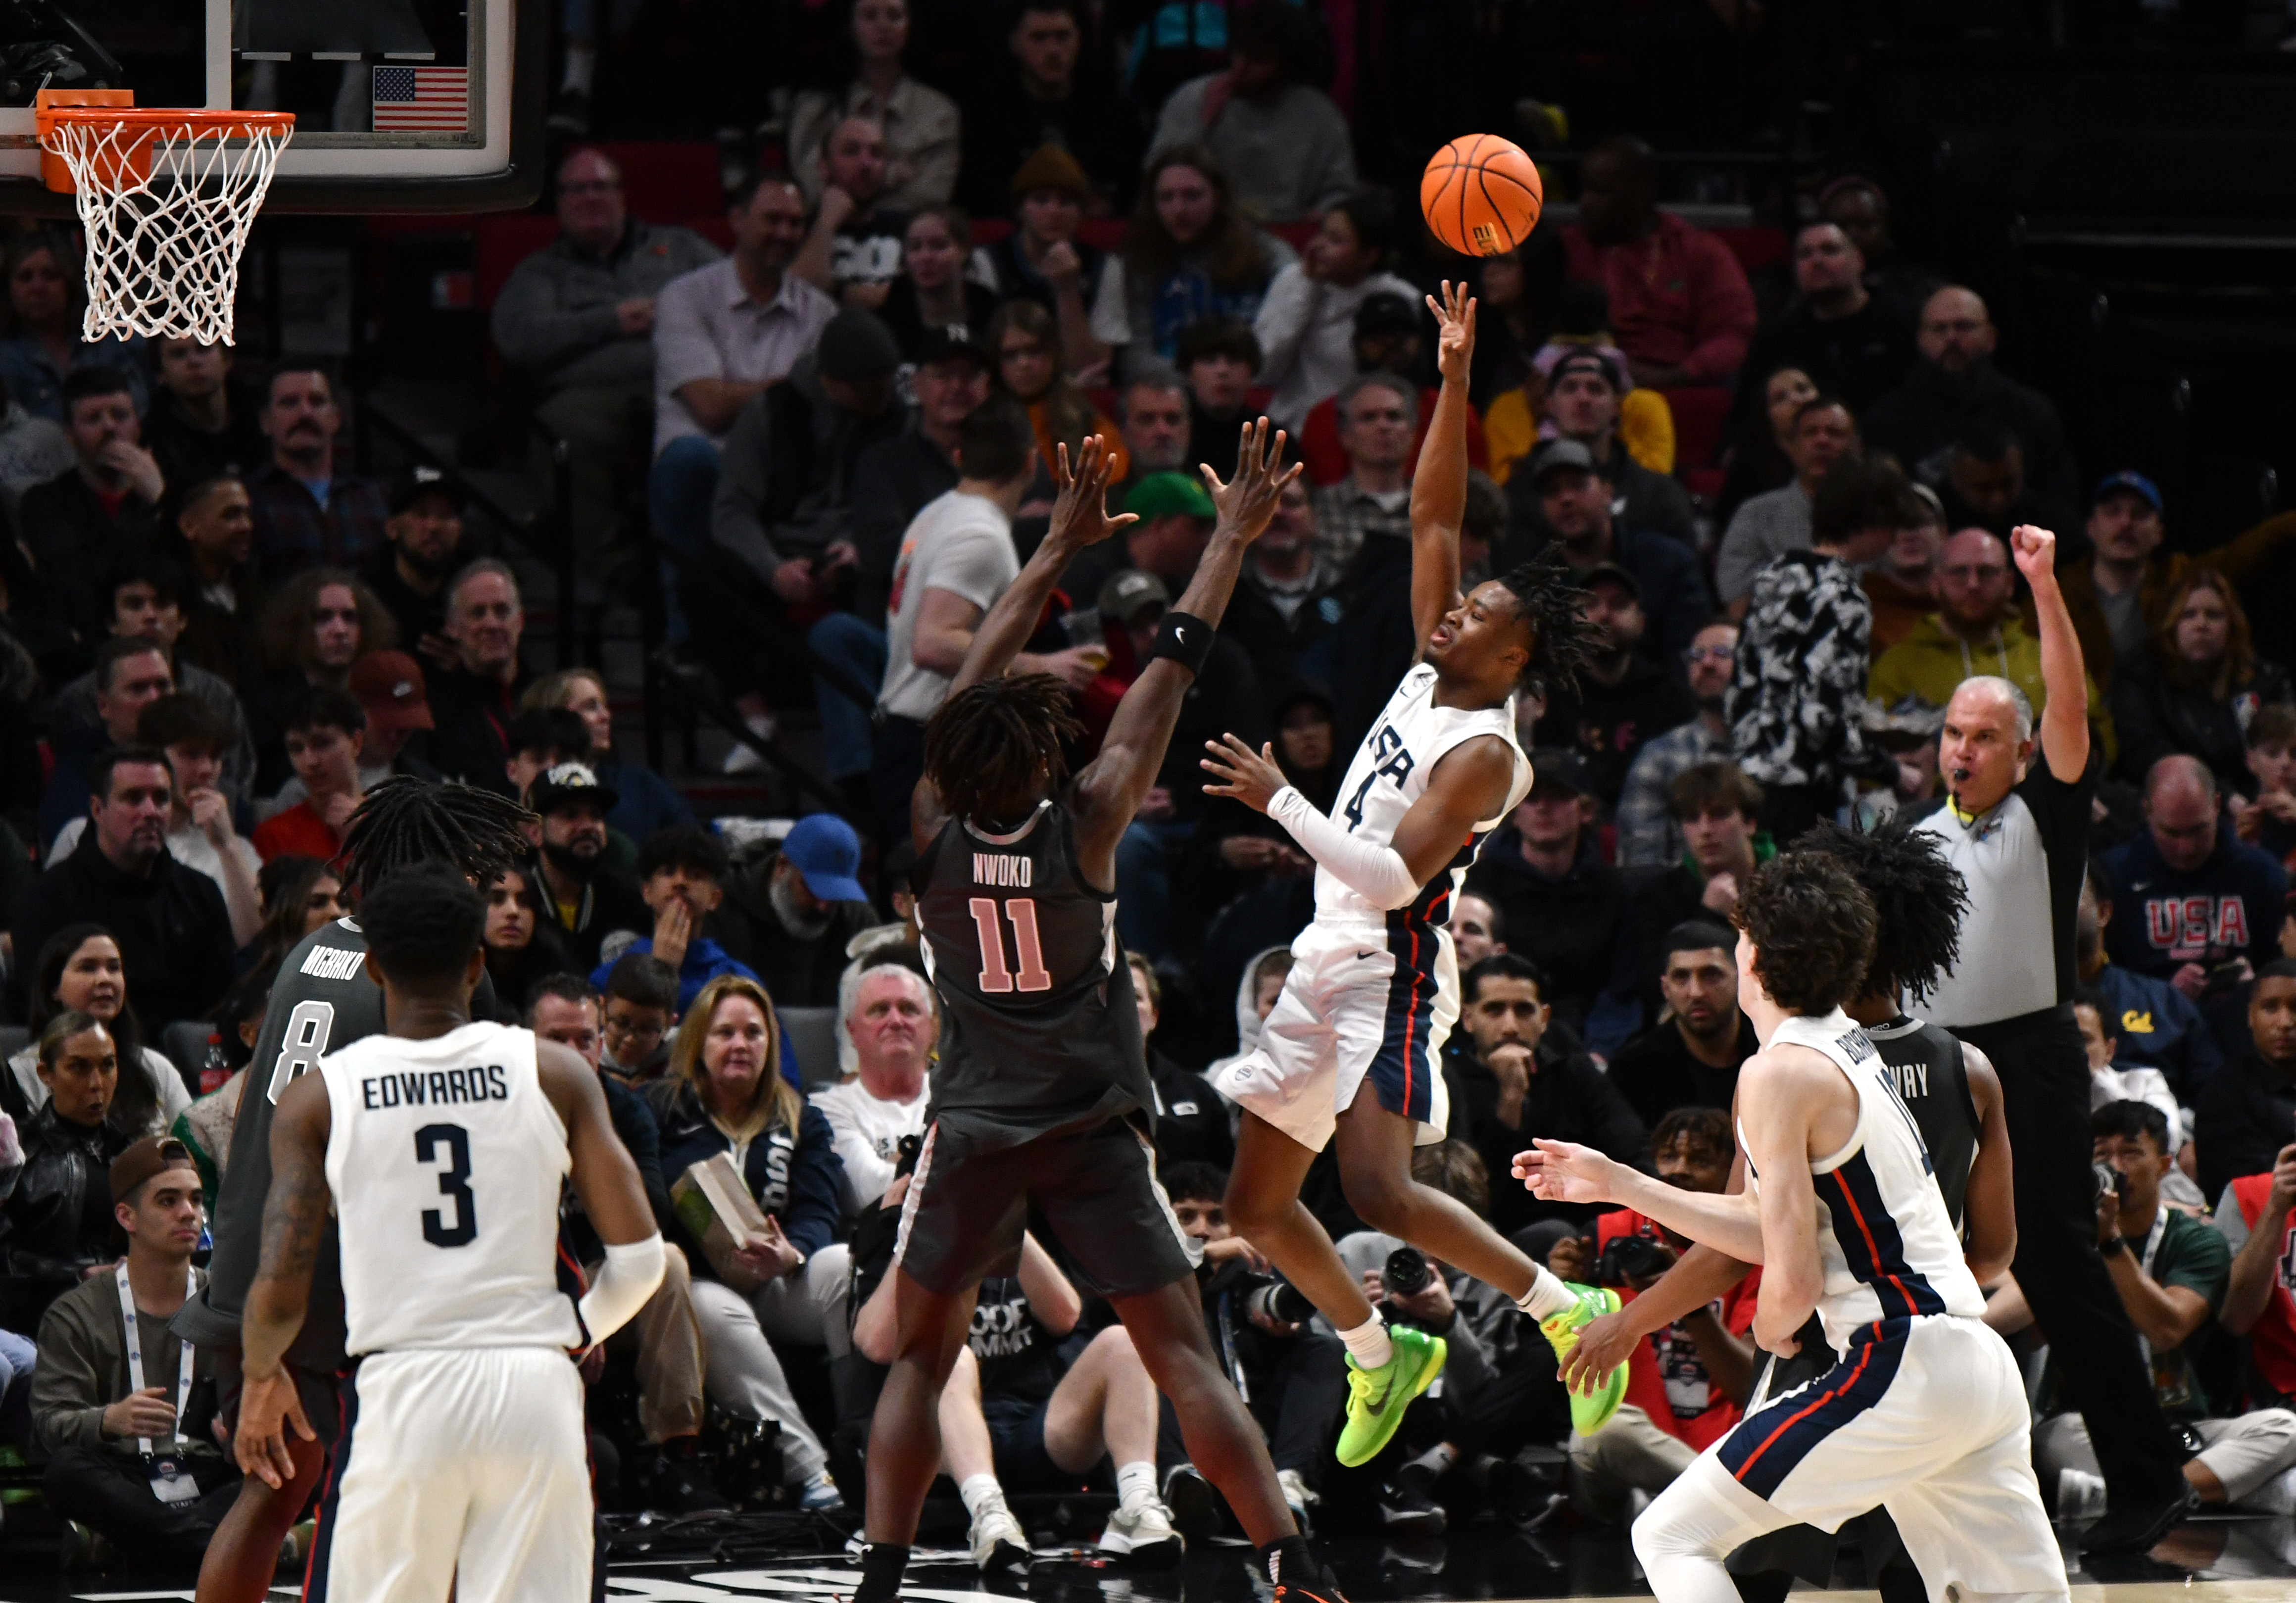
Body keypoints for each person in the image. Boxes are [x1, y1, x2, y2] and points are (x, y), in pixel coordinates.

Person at [856, 420, 1339, 1603]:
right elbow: (1172, 659)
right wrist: (1228, 537)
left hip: (972, 1127)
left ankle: (877, 1574)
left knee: (921, 1358)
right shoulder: (1091, 819)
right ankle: (1288, 1559)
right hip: (1089, 1125)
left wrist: (1054, 546)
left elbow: (970, 686)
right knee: (1178, 1352)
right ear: (1041, 759)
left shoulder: (928, 824)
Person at [1198, 285, 1628, 1473]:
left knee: (1378, 1190)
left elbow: (1391, 876)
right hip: (1328, 947)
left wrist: (1277, 797)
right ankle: (1377, 1352)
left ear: (1515, 653)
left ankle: (1560, 1305)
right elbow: (1433, 511)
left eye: (1476, 616)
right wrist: (1452, 378)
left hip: (1387, 965)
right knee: (1252, 1205)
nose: (1446, 618)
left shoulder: (1487, 750)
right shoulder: (1433, 666)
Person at [1517, 852, 2069, 1603]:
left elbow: (1792, 1270)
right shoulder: (1846, 1046)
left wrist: (1775, 1324)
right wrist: (1618, 1181)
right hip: (1975, 1362)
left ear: (1754, 955)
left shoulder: (1773, 1072)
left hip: (1893, 1358)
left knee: (1671, 1535)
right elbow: (1767, 1221)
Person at [229, 863, 664, 1599]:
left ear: (372, 967)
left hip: (403, 1390)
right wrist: (578, 1330)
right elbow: (644, 1260)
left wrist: (259, 1374)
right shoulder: (554, 1070)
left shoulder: (318, 1098)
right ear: (476, 962)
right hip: (532, 1386)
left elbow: (279, 1286)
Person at [1905, 523, 2197, 1553]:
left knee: (2063, 1267)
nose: (1963, 749)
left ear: (2025, 751)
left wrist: (2039, 584)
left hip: (2027, 1052)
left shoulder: (2045, 812)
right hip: (1932, 1060)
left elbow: (2068, 701)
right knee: (1917, 1272)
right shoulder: (1915, 839)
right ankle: (1917, 1495)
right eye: (1952, 731)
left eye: (1985, 735)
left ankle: (2149, 1477)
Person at [173, 779, 534, 1603]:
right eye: (476, 869)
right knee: (405, 1510)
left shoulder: (315, 946)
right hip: (329, 1280)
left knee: (273, 1493)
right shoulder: (420, 981)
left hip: (247, 1266)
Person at [851, 1226, 1186, 1569]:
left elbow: (1065, 1317)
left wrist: (1009, 1218)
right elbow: (874, 1341)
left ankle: (1138, 1506)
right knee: (953, 1357)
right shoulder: (905, 1240)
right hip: (947, 1446)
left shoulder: (1028, 1231)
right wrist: (922, 1228)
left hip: (1034, 1433)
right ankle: (988, 1514)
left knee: (1123, 1343)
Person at [2032, 1100, 2296, 1519]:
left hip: (2182, 1424)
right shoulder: (2065, 1237)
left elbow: (2168, 1328)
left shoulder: (2194, 1240)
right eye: (2102, 1155)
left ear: (2163, 1164)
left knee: (2285, 1428)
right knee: (2055, 1439)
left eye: (2131, 1152)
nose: (2115, 1166)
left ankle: (2136, 1499)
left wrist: (2110, 1245)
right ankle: (2206, 1490)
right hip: (2091, 1423)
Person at [646, 973, 850, 1511]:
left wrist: (792, 1253)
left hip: (781, 1278)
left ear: (771, 1044)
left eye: (754, 1033)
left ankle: (868, 1436)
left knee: (843, 1265)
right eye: (725, 1032)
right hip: (708, 1283)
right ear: (698, 1042)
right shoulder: (663, 1111)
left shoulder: (801, 1115)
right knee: (707, 1304)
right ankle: (814, 1473)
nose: (740, 1044)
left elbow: (818, 1209)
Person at [868, 397, 1096, 838]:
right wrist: (1043, 667)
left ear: (960, 458)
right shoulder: (980, 534)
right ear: (1032, 463)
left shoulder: (935, 513)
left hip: (910, 737)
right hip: (930, 746)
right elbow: (932, 642)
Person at [490, 148, 721, 573]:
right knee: (559, 431)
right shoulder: (541, 273)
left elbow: (735, 299)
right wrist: (611, 322)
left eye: (601, 187)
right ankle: (615, 570)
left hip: (685, 384)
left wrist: (678, 318)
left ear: (623, 196)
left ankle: (721, 562)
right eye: (576, 190)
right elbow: (521, 340)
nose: (589, 198)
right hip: (593, 398)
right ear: (559, 203)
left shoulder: (681, 249)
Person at [1544, 1110, 1759, 1527]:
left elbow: (1749, 1387)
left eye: (1699, 1160)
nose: (1679, 1170)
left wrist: (1688, 1306)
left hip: (1721, 1448)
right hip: (1632, 1449)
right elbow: (1563, 1369)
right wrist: (1562, 1292)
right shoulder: (1612, 1233)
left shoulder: (1751, 1250)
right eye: (1668, 1157)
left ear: (1732, 1177)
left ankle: (1680, 1503)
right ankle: (1720, 1510)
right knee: (1603, 1432)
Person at [31, 1135, 238, 1562]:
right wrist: (110, 1419)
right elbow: (51, 1424)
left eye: (196, 1200)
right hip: (125, 1474)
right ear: (127, 1216)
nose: (189, 1213)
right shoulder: (76, 1313)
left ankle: (136, 1543)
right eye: (168, 1201)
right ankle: (219, 1546)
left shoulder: (229, 1304)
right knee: (67, 1473)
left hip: (207, 1474)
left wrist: (242, 1428)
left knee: (298, 1455)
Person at [648, 174, 837, 602]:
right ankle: (684, 641)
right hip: (704, 460)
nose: (785, 233)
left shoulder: (821, 313)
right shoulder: (685, 296)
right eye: (773, 219)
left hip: (777, 465)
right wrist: (787, 390)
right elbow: (708, 407)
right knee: (689, 461)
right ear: (736, 220)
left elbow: (820, 403)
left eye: (795, 223)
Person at [1726, 458, 1913, 843]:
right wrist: (1893, 771)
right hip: (1800, 798)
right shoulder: (1845, 601)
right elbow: (1823, 722)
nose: (1893, 539)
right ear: (1869, 522)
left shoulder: (1773, 576)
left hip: (1744, 785)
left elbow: (1742, 689)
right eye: (1890, 527)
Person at [15, 749, 236, 1034]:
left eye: (161, 799)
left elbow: (221, 1007)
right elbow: (43, 1010)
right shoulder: (47, 900)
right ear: (97, 810)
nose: (151, 812)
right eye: (133, 798)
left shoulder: (200, 895)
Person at [1448, 953, 1648, 1241]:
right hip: (1483, 1239)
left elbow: (1634, 1155)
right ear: (1468, 1018)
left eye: (1524, 1011)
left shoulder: (1575, 1074)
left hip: (1580, 1236)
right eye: (1494, 1010)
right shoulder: (1449, 1081)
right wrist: (1510, 1099)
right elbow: (1466, 1196)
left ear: (1544, 1018)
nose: (1510, 1027)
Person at [41, 697, 262, 949]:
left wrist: (228, 846)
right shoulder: (83, 834)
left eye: (214, 757)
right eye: (191, 754)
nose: (207, 769)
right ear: (154, 756)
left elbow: (250, 940)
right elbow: (51, 926)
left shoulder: (236, 850)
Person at [1869, 525, 2111, 746]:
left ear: (2009, 584)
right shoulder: (1899, 666)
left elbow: (2096, 730)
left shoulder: (2047, 659)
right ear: (1936, 583)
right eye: (1960, 573)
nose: (1973, 584)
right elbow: (1869, 749)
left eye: (1986, 573)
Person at [2059, 470, 2296, 692]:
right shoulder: (2058, 591)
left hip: (2154, 721)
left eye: (2140, 514)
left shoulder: (2176, 578)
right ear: (2091, 527)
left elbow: (2249, 549)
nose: (2126, 523)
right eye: (2113, 512)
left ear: (2159, 533)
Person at [1860, 286, 2079, 518]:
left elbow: (2061, 505)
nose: (1952, 338)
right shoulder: (1888, 420)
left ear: (1991, 338)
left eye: (1964, 327)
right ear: (1920, 340)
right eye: (1939, 329)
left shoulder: (2032, 412)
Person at [1561, 137, 1756, 390]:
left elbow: (1732, 332)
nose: (1585, 203)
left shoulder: (1699, 251)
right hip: (1584, 383)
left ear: (1643, 193)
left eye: (1601, 191)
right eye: (1584, 190)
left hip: (1679, 383)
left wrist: (1679, 375)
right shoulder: (1565, 249)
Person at [1143, 0, 1354, 227]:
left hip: (1289, 233)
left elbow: (1341, 190)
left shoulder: (1320, 115)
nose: (1241, 67)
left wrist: (1323, 213)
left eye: (1258, 59)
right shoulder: (1194, 99)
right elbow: (1156, 175)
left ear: (1286, 65)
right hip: (1210, 233)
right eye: (1240, 53)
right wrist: (1200, 125)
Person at [1092, 145, 1297, 377]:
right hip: (1170, 391)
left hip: (1247, 384)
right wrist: (1196, 383)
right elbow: (1135, 356)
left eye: (1192, 196)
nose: (1179, 210)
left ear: (1218, 198)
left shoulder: (1261, 249)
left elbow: (1296, 284)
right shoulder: (1138, 259)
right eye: (1166, 198)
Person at [1462, 749, 1629, 1032]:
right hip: (1502, 1028)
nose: (1543, 808)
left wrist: (1601, 1048)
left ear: (1586, 811)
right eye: (1531, 798)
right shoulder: (1479, 886)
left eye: (1558, 797)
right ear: (1513, 814)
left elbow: (1623, 985)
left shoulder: (1612, 890)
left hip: (1592, 1039)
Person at [2098, 756, 2287, 994]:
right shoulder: (2114, 877)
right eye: (2172, 833)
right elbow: (2101, 984)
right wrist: (2165, 997)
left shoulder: (2261, 875)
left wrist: (2257, 988)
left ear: (2217, 805)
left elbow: (2284, 971)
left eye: (2199, 830)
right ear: (2147, 812)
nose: (2186, 848)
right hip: (2145, 1023)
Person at [0, 1014, 137, 1332]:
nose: (96, 1083)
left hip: (130, 1310)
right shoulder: (18, 1156)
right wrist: (77, 1275)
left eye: (107, 1066)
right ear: (46, 1074)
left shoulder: (133, 1154)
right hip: (41, 1315)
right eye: (79, 1067)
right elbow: (4, 1256)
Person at [1520, 439, 1711, 661]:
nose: (1566, 499)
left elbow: (1688, 654)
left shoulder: (1668, 564)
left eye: (1578, 485)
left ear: (1608, 492)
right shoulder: (1532, 583)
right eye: (1553, 492)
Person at [16, 367, 168, 644]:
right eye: (93, 419)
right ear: (70, 435)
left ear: (138, 426)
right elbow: (79, 586)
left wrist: (159, 500)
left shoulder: (169, 492)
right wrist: (155, 514)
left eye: (120, 416)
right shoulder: (44, 504)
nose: (109, 427)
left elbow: (182, 575)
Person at [1531, 563, 1697, 814]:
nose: (1604, 615)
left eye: (1619, 605)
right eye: (1590, 605)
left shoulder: (1670, 693)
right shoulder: (1551, 694)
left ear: (1641, 621)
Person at [1496, 346, 1697, 548]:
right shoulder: (1519, 495)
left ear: (1617, 406)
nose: (1583, 399)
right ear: (1549, 404)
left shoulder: (1658, 495)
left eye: (1596, 389)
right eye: (1570, 388)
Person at [1254, 190, 1420, 433]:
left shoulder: (1400, 300)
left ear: (1369, 257)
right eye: (1322, 233)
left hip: (1364, 429)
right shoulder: (1293, 280)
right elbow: (1263, 369)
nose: (1318, 245)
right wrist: (1307, 287)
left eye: (1336, 240)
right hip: (1292, 428)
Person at [2113, 569, 2292, 792]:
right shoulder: (2141, 680)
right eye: (2189, 615)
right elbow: (2148, 755)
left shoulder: (2267, 681)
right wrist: (2227, 799)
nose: (2202, 624)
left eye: (2214, 615)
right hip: (2179, 805)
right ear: (2172, 624)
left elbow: (2287, 749)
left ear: (2232, 624)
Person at [958, 1, 1142, 218]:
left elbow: (1133, 186)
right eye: (1039, 38)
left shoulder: (1114, 112)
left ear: (1080, 39)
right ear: (1015, 43)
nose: (1053, 50)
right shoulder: (986, 116)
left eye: (1063, 37)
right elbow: (982, 195)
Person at [786, 0, 961, 213]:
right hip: (829, 227)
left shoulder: (938, 111)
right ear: (850, 26)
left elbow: (931, 195)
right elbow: (811, 189)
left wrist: (853, 185)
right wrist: (893, 175)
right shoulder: (816, 106)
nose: (883, 26)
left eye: (894, 16)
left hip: (909, 233)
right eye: (870, 16)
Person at [1733, 223, 1915, 419]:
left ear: (1859, 261)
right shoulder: (1776, 339)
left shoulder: (1903, 324)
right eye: (1805, 254)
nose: (1817, 261)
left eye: (1830, 250)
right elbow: (1746, 412)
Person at [587, 825, 764, 1015]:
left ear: (715, 899)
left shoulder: (739, 981)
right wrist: (661, 970)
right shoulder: (610, 977)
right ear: (647, 893)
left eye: (695, 875)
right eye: (668, 872)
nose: (680, 882)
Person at [969, 146, 1110, 377]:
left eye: (1066, 201)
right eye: (1041, 200)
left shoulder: (1105, 267)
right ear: (1020, 209)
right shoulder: (988, 262)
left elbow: (1090, 369)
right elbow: (986, 357)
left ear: (1081, 212)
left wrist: (1067, 290)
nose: (1054, 211)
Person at [1607, 924, 1759, 1134]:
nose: (1696, 992)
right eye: (1681, 977)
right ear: (1666, 989)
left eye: (1711, 975)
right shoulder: (1633, 1073)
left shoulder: (1774, 1052)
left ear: (1742, 978)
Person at [811, 961, 933, 1221]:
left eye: (909, 1009)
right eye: (879, 1011)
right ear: (852, 1031)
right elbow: (871, 1195)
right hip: (875, 1248)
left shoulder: (960, 1096)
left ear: (932, 1028)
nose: (896, 1020)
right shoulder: (826, 1108)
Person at [1713, 395, 1858, 609]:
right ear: (1792, 447)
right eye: (1810, 433)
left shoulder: (1880, 512)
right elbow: (1739, 599)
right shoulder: (1755, 514)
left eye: (1835, 433)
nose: (1822, 441)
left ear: (1856, 446)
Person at [37, 634, 179, 852]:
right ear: (103, 705)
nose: (155, 698)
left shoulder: (198, 758)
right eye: (139, 689)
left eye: (163, 686)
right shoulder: (80, 775)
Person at [1616, 621, 1740, 868]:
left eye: (1722, 654)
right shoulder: (1660, 758)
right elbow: (1642, 869)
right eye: (1696, 656)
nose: (1706, 664)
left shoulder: (1780, 754)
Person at [244, 366, 390, 576]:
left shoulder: (375, 499)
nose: (305, 413)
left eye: (317, 402)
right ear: (266, 422)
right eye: (290, 403)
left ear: (336, 418)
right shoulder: (247, 500)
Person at [0, 230, 146, 424]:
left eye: (50, 276)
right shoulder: (5, 357)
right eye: (25, 278)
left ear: (71, 281)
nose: (38, 288)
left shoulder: (115, 334)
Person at [2195, 964, 2296, 1205]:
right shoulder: (2224, 1092)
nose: (2285, 1022)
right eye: (2270, 1007)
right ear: (2250, 1016)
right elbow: (2241, 1189)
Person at [791, 115, 914, 311]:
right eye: (851, 152)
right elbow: (794, 296)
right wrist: (827, 223)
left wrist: (836, 291)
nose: (866, 164)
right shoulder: (794, 228)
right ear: (824, 168)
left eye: (876, 153)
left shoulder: (908, 228)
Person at [424, 560, 527, 793]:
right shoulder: (436, 711)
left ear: (520, 620)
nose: (491, 624)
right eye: (478, 613)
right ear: (452, 627)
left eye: (502, 611)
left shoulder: (545, 698)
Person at [251, 688, 369, 863]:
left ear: (356, 743)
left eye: (322, 744)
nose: (310, 761)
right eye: (297, 748)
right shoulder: (274, 836)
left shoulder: (398, 826)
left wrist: (359, 840)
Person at [143, 338, 262, 498]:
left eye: (204, 349)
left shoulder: (264, 423)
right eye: (179, 354)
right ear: (160, 374)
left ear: (227, 359)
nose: (194, 361)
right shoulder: (151, 441)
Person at [602, 953, 680, 1084]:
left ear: (668, 1025)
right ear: (603, 1012)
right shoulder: (589, 1059)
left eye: (646, 1030)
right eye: (621, 1024)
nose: (630, 1040)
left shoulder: (683, 1053)